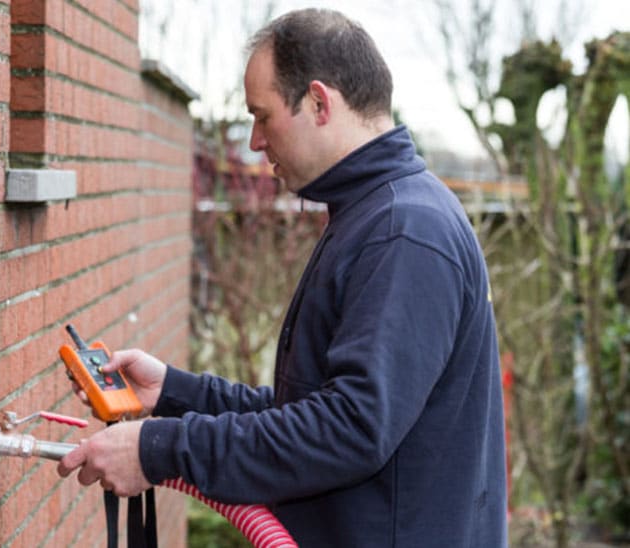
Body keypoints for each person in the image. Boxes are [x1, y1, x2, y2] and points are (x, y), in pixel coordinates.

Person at [57, 8, 508, 547]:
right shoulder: (375, 214)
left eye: (262, 115)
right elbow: (311, 411)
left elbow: (349, 430)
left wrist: (158, 450)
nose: (254, 141)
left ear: (319, 102)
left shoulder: (403, 231)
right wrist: (175, 394)